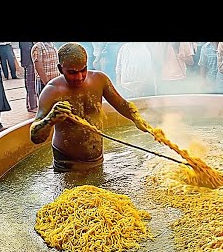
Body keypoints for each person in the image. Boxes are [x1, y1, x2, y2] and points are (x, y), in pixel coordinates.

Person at [29, 42, 149, 172]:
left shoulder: (100, 80)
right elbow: (35, 137)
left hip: (97, 159)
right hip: (68, 164)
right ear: (60, 69)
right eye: (72, 72)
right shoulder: (52, 91)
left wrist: (136, 119)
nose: (79, 77)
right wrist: (51, 119)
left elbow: (122, 104)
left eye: (83, 70)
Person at [19, 42, 38, 112]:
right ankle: (32, 106)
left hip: (29, 62)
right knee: (31, 85)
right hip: (30, 63)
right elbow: (29, 50)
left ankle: (32, 104)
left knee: (31, 85)